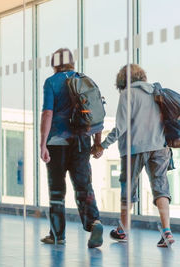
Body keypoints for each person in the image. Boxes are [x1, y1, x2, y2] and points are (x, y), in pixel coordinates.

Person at [91, 64, 174, 247]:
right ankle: (167, 231)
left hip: (134, 149)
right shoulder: (155, 91)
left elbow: (121, 127)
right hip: (160, 148)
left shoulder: (128, 94)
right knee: (160, 188)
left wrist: (102, 146)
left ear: (122, 80)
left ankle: (122, 230)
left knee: (127, 188)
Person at [40, 48, 103, 248]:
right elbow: (96, 114)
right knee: (84, 186)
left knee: (57, 189)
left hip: (57, 143)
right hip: (82, 142)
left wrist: (42, 144)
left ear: (54, 63)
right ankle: (94, 223)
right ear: (72, 62)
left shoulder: (51, 82)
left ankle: (57, 235)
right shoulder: (85, 80)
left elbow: (48, 114)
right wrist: (97, 142)